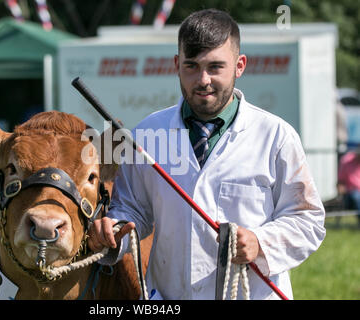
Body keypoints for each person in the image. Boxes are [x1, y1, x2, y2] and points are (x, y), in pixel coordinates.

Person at [87, 9, 326, 300]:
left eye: (215, 67)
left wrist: (260, 243)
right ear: (177, 65)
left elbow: (307, 220)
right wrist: (113, 230)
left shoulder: (276, 137)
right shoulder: (148, 134)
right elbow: (132, 210)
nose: (203, 80)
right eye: (192, 66)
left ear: (239, 66)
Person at [337, 147, 360, 227]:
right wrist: (341, 190)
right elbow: (340, 182)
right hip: (350, 193)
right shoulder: (346, 161)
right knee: (357, 196)